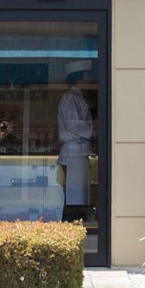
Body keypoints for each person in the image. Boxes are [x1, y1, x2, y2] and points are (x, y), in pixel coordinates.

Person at [57, 71, 94, 209]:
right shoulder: (71, 97)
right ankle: (74, 219)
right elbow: (72, 124)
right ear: (79, 79)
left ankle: (78, 217)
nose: (90, 80)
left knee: (79, 192)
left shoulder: (76, 97)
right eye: (87, 77)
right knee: (76, 194)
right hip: (74, 151)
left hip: (78, 151)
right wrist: (93, 130)